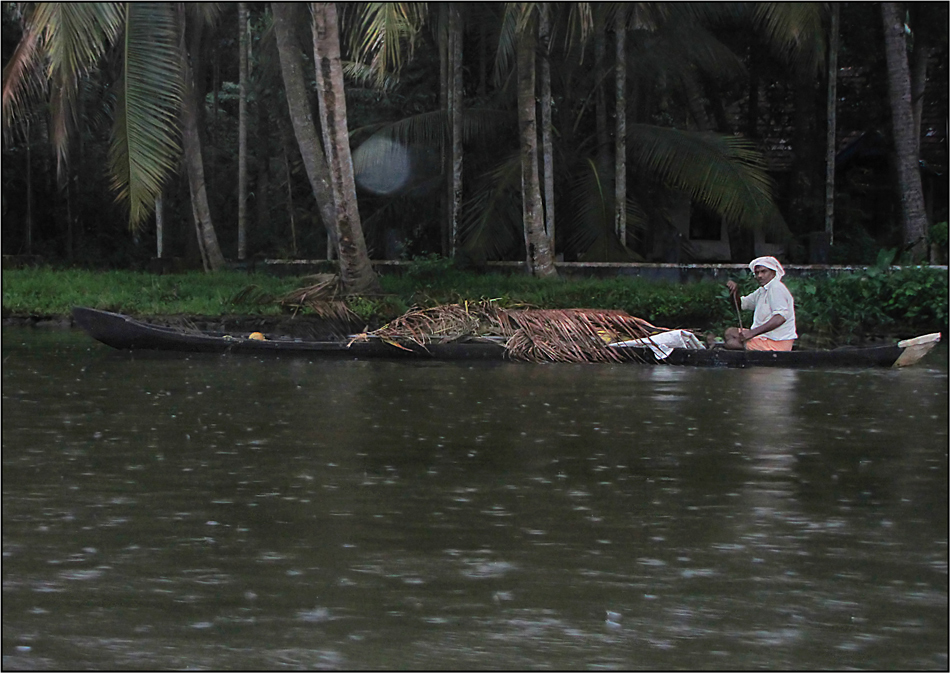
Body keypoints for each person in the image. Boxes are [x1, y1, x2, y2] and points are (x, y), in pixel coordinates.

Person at [724, 256, 797, 351]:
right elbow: (741, 305)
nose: (759, 276)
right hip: (764, 337)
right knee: (730, 332)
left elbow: (780, 317)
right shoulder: (762, 291)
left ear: (773, 272)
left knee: (731, 343)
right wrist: (734, 292)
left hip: (777, 342)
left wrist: (752, 333)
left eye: (763, 272)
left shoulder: (776, 288)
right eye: (757, 273)